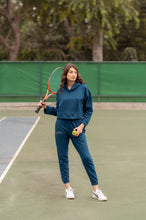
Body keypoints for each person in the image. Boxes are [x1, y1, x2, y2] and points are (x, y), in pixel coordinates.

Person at [39, 63, 107, 201]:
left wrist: (81, 126)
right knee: (63, 158)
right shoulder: (60, 91)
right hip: (61, 127)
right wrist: (46, 107)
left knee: (87, 158)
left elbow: (89, 110)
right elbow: (59, 111)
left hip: (77, 126)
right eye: (70, 72)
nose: (73, 74)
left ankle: (96, 190)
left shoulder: (84, 89)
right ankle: (68, 188)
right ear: (66, 74)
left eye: (75, 72)